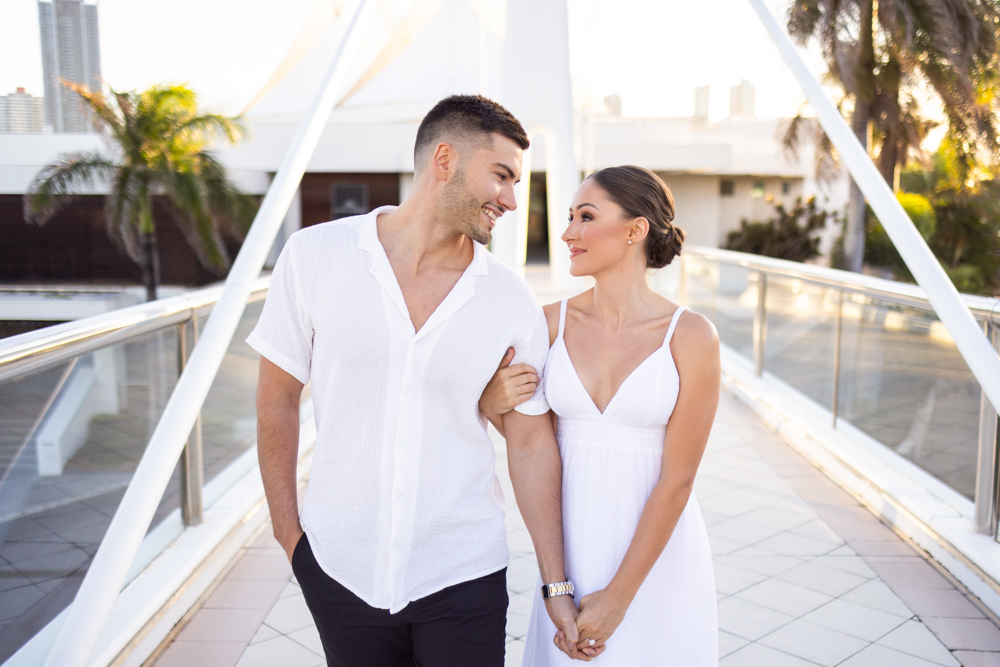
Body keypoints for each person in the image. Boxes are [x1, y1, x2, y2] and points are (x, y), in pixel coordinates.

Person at [249, 95, 594, 667]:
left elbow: (532, 445)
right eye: (502, 176)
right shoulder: (314, 256)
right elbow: (276, 402)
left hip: (463, 569)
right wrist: (293, 542)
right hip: (339, 566)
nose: (511, 200)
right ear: (444, 160)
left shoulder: (508, 300)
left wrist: (556, 587)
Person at [480, 165, 720, 665]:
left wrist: (620, 596)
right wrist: (490, 401)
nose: (568, 232)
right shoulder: (545, 324)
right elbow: (526, 438)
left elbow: (679, 478)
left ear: (635, 231)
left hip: (656, 560)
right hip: (570, 546)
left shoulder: (691, 336)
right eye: (569, 217)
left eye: (585, 217)